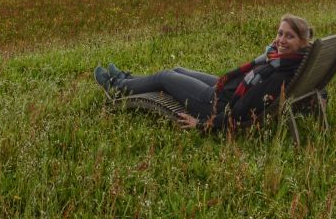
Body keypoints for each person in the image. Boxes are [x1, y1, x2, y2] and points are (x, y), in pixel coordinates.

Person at [95, 14, 313, 131]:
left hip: (215, 103)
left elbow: (241, 110)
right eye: (279, 33)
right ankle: (127, 79)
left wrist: (203, 124)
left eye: (289, 36)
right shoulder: (291, 62)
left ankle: (117, 87)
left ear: (303, 42)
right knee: (177, 69)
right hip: (227, 89)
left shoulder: (278, 74)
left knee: (165, 77)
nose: (280, 40)